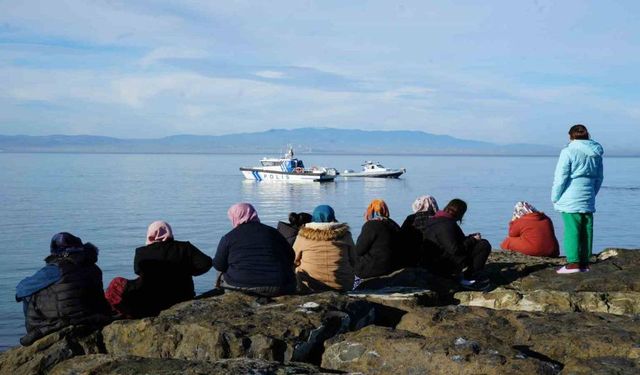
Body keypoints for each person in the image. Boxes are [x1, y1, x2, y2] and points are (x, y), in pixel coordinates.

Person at [15, 232, 111, 346]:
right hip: (92, 314)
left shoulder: (56, 268)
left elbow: (21, 290)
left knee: (29, 293)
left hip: (63, 319)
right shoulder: (94, 267)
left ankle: (34, 328)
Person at [105, 221, 213, 318]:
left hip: (151, 300)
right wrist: (188, 271)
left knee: (117, 283)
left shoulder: (142, 252)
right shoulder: (185, 247)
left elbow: (138, 271)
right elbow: (206, 263)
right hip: (183, 296)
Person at [552, 124, 604, 273]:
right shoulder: (596, 152)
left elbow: (561, 177)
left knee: (572, 229)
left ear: (571, 136)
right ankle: (585, 261)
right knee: (587, 228)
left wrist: (555, 196)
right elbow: (600, 177)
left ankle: (573, 263)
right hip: (588, 194)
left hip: (571, 194)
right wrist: (593, 193)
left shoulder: (568, 151)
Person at [213, 203, 296, 296]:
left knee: (220, 271)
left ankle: (225, 295)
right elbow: (291, 256)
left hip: (243, 286)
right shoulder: (273, 232)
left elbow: (218, 265)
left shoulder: (229, 237)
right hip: (280, 286)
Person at [422, 199, 492, 288]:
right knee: (483, 245)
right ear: (460, 213)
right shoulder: (447, 225)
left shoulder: (434, 220)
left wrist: (471, 238)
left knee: (479, 243)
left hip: (431, 261)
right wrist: (472, 240)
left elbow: (451, 241)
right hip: (442, 264)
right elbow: (455, 249)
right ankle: (471, 276)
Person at [293, 205, 355, 292]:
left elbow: (293, 258)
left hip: (310, 285)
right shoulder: (345, 235)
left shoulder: (303, 236)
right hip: (342, 284)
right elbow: (354, 259)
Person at [351, 199, 403, 282]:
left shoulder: (370, 226)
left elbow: (359, 250)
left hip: (373, 269)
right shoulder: (393, 224)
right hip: (393, 266)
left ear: (370, 211)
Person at [400, 195, 440, 266]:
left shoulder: (410, 218)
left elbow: (401, 235)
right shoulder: (438, 219)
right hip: (432, 256)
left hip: (411, 256)